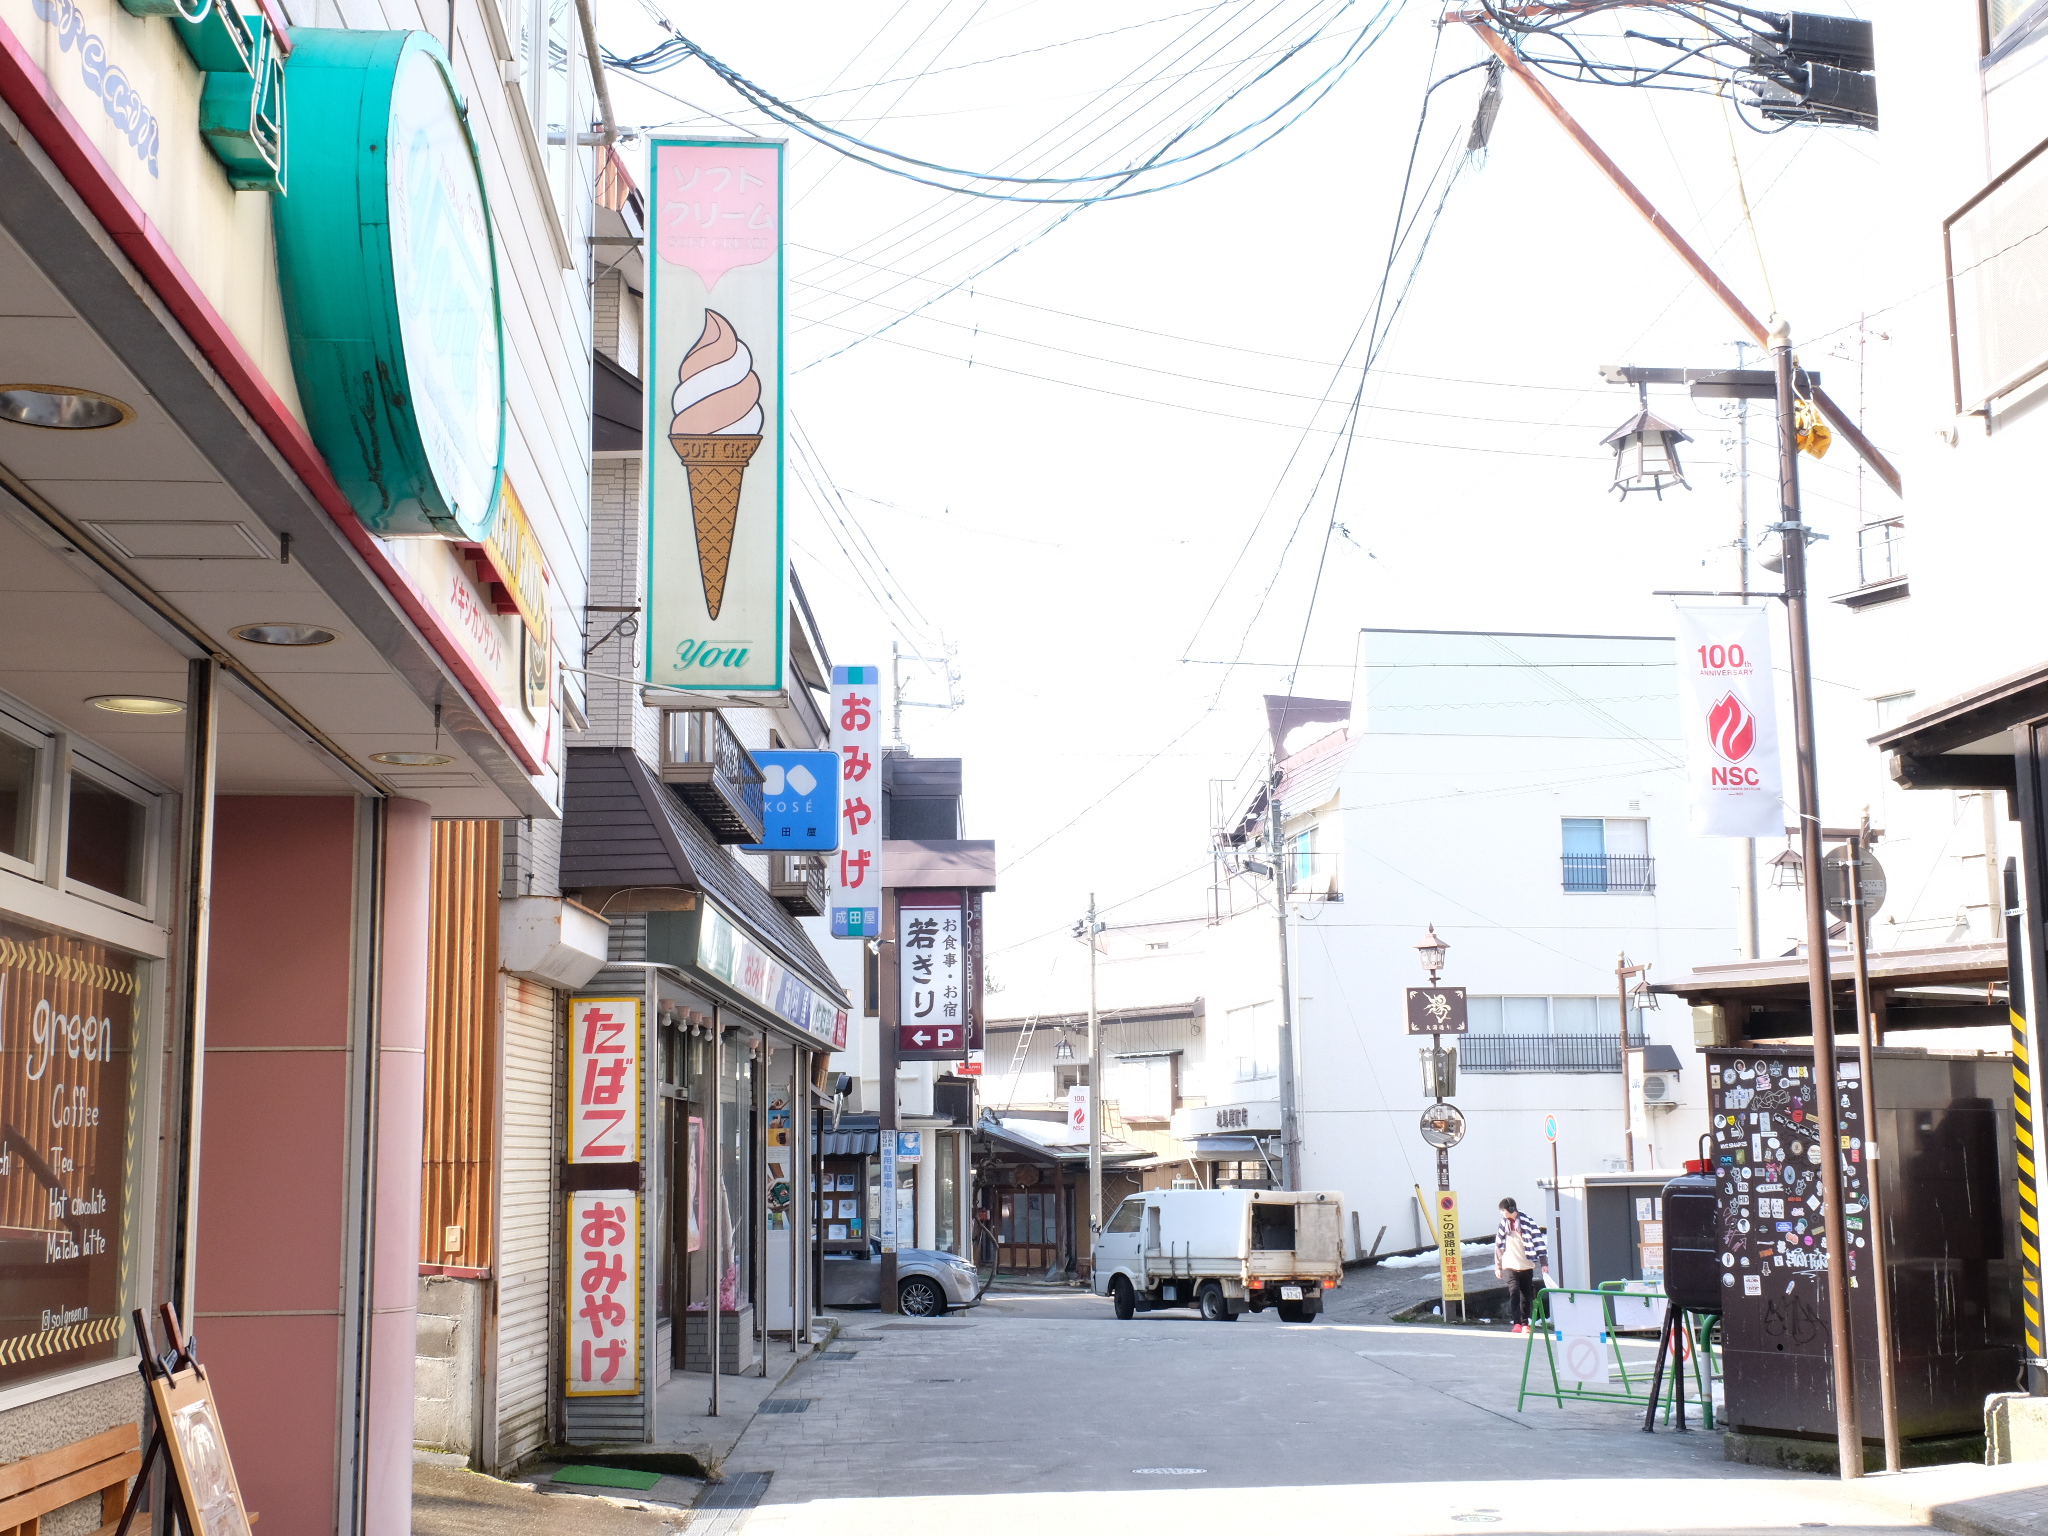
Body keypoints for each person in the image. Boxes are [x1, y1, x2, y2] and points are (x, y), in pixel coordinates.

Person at [1494, 1196, 1548, 1332]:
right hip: (1509, 1264)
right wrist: (1498, 1266)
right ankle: (1516, 1323)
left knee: (1526, 1294)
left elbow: (1538, 1241)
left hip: (1526, 1264)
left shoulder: (1528, 1222)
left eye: (1503, 1210)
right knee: (1514, 1292)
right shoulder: (1503, 1224)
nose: (1502, 1213)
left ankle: (1525, 1323)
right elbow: (1499, 1246)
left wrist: (1544, 1263)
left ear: (1511, 1209)